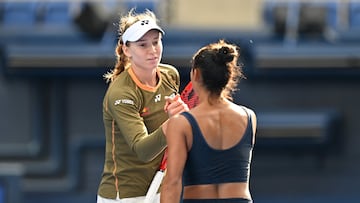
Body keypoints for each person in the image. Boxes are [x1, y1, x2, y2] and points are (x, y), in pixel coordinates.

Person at [97, 9, 189, 203]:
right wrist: (172, 124)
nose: (153, 50)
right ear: (127, 50)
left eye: (156, 42)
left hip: (160, 189)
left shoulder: (170, 76)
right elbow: (143, 150)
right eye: (143, 45)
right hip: (124, 195)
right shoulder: (121, 93)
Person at [161, 40, 257, 203]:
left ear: (196, 74)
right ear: (228, 76)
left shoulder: (180, 124)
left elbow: (172, 184)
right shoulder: (249, 117)